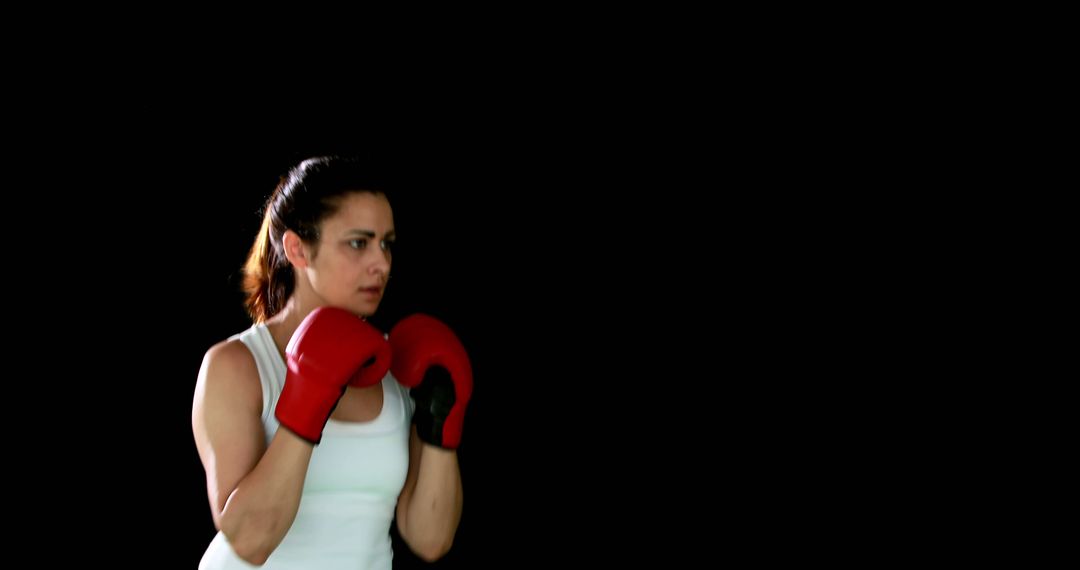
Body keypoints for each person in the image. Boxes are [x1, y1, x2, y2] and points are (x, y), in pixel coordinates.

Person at [192, 156, 471, 569]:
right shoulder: (238, 365)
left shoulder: (400, 365)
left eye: (386, 243)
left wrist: (442, 422)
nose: (382, 263)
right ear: (297, 249)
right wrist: (308, 395)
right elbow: (250, 542)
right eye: (359, 243)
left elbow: (430, 538)